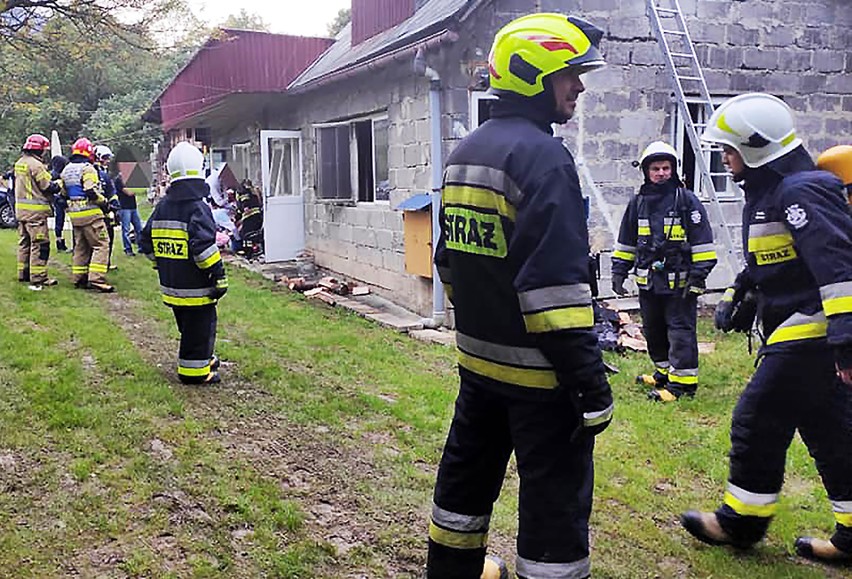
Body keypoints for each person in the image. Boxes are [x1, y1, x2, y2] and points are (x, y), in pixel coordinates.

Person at [426, 13, 613, 579]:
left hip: (479, 369)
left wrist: (488, 324)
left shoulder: (466, 152)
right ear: (536, 76)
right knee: (554, 504)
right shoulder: (544, 158)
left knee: (464, 483)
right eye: (570, 75)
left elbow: (449, 264)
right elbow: (555, 294)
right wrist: (590, 385)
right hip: (542, 383)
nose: (578, 87)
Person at [679, 93, 852, 564]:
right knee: (832, 432)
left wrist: (847, 344)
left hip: (811, 328)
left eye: (728, 149)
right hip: (794, 323)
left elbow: (839, 270)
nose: (724, 158)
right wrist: (741, 295)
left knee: (758, 418)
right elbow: (771, 260)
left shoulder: (801, 190)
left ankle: (740, 523)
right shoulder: (769, 192)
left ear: (756, 146)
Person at [611, 141, 717, 401]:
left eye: (666, 168)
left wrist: (697, 276)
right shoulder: (638, 203)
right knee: (654, 330)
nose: (661, 173)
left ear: (674, 170)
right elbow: (627, 241)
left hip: (680, 283)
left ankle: (683, 384)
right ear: (646, 171)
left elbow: (703, 243)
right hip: (649, 282)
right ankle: (664, 374)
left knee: (680, 331)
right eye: (656, 168)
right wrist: (619, 271)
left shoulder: (686, 201)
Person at [139, 142, 228, 385]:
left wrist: (161, 262)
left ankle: (203, 358)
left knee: (188, 328)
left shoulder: (162, 207)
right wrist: (218, 274)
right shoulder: (198, 208)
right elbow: (202, 249)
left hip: (172, 286)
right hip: (197, 288)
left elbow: (145, 242)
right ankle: (195, 373)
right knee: (200, 329)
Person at [60, 137, 114, 293]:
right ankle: (97, 279)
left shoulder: (66, 169)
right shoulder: (88, 168)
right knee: (101, 244)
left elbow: (63, 194)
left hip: (75, 215)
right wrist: (104, 202)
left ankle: (79, 277)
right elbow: (90, 190)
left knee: (81, 246)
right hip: (91, 214)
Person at [14, 133, 62, 290]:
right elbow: (47, 186)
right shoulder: (36, 165)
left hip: (21, 212)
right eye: (44, 150)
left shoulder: (20, 163)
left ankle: (23, 273)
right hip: (35, 214)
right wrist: (59, 183)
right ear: (39, 149)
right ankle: (39, 278)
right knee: (40, 245)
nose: (45, 153)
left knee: (24, 243)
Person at [93, 145, 120, 269]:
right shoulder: (92, 171)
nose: (107, 161)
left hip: (106, 212)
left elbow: (111, 191)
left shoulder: (105, 174)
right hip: (95, 211)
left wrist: (115, 205)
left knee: (109, 237)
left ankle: (106, 263)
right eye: (105, 158)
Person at [115, 172, 143, 256]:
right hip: (124, 207)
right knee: (126, 229)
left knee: (139, 228)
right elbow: (129, 192)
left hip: (133, 206)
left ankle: (141, 247)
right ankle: (128, 249)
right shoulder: (119, 180)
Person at [49, 155, 70, 252]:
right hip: (63, 199)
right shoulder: (63, 174)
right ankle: (62, 244)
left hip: (57, 200)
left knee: (59, 222)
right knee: (68, 222)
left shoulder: (51, 174)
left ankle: (59, 241)